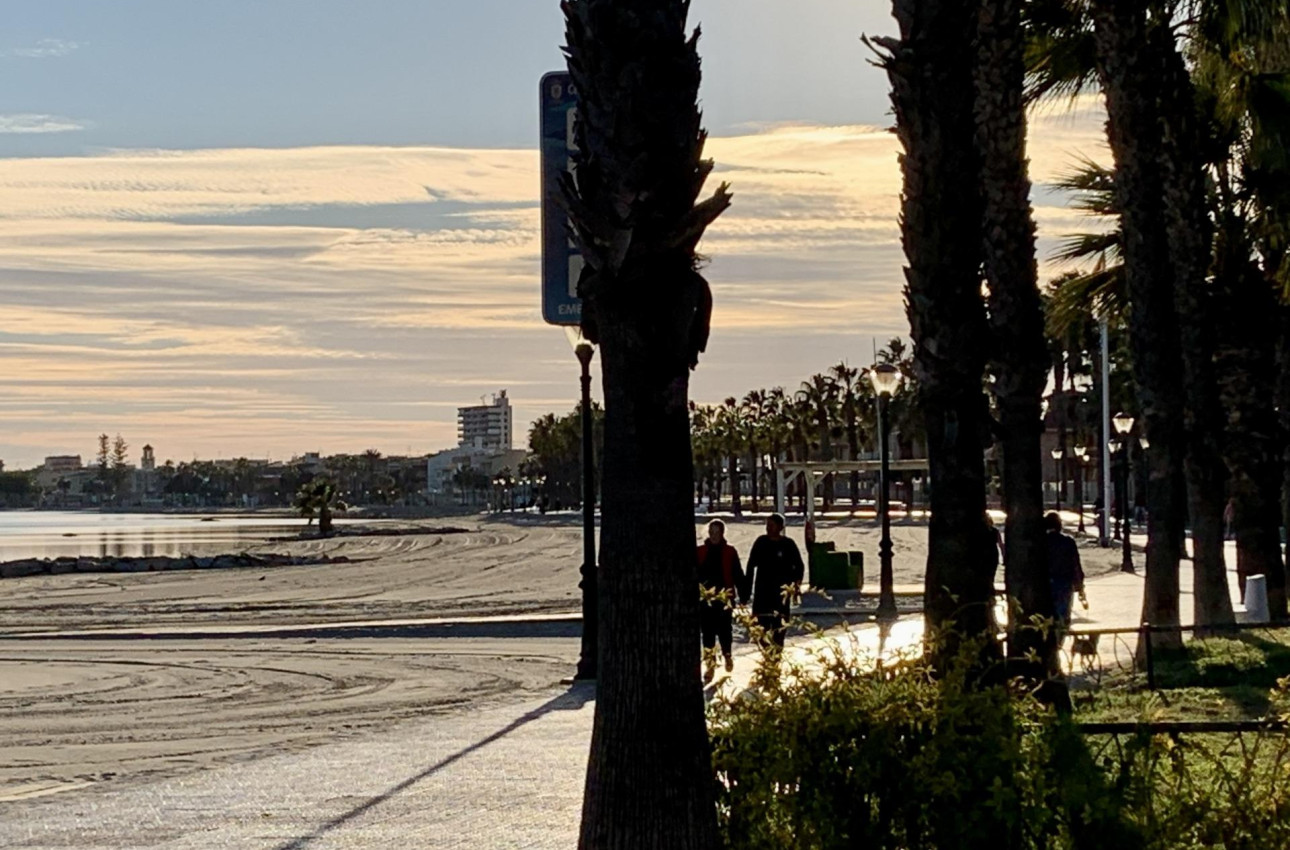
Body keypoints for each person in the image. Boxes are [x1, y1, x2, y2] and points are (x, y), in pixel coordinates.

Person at [745, 513, 805, 654]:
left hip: (781, 596)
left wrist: (795, 587)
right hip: (762, 593)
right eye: (767, 525)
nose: (768, 528)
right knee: (761, 629)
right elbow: (750, 565)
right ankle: (767, 655)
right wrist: (746, 589)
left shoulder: (788, 545)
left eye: (771, 525)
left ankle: (776, 657)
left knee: (779, 629)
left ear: (780, 527)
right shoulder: (761, 542)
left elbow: (799, 566)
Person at [696, 519, 747, 683]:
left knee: (725, 631)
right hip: (705, 600)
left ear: (722, 533)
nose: (714, 535)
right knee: (708, 634)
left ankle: (727, 655)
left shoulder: (730, 552)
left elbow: (738, 574)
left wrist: (743, 595)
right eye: (711, 532)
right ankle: (710, 665)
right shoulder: (700, 552)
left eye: (717, 532)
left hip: (724, 598)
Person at [1045, 511, 1085, 636]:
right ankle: (1059, 641)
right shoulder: (1068, 542)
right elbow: (1075, 565)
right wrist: (1080, 586)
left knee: (1047, 616)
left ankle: (1050, 641)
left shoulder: (1041, 542)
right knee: (1063, 615)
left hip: (1046, 583)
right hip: (1064, 583)